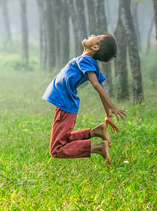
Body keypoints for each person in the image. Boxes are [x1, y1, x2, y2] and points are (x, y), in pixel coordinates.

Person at [42, 34, 126, 168]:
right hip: (65, 104)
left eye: (96, 36)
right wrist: (107, 115)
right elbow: (100, 87)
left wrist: (112, 106)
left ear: (95, 46)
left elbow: (97, 85)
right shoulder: (88, 62)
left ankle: (98, 148)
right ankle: (96, 132)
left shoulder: (86, 60)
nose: (92, 35)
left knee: (56, 149)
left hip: (65, 104)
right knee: (63, 139)